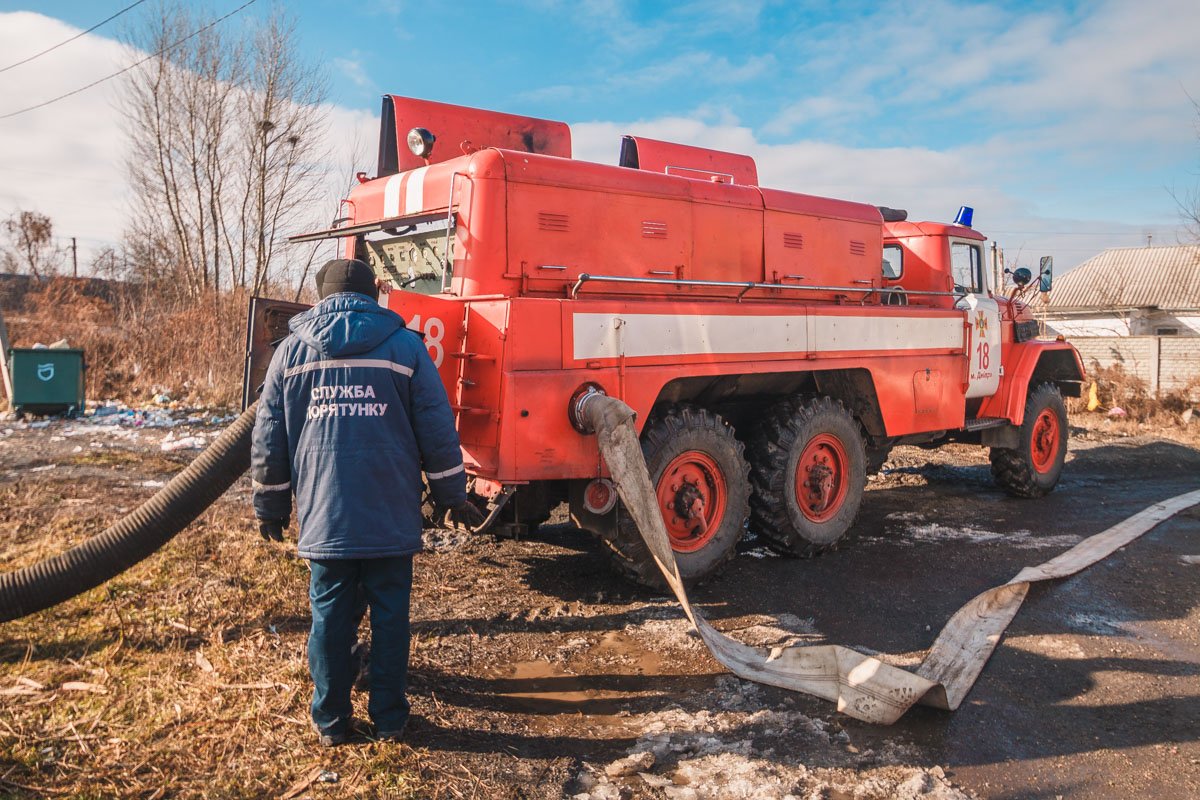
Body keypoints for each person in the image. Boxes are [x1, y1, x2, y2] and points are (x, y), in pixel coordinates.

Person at [251, 258, 484, 746]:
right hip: (390, 516)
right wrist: (450, 495)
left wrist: (270, 506)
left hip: (325, 516)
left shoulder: (290, 354)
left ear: (321, 297)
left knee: (329, 618)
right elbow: (437, 429)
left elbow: (268, 437)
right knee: (390, 618)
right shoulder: (406, 348)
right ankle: (391, 719)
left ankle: (332, 723)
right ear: (373, 294)